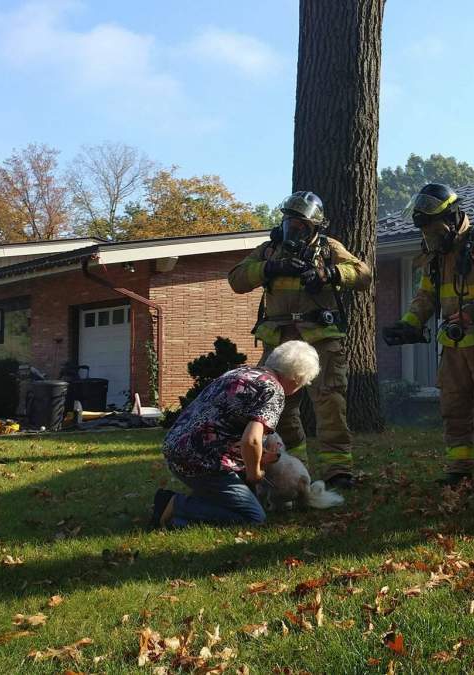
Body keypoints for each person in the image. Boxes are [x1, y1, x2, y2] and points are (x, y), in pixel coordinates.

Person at [228, 191, 372, 490]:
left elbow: (363, 273)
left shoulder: (328, 248)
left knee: (330, 403)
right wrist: (270, 268)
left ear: (315, 227)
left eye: (301, 226)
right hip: (279, 342)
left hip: (320, 341)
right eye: (289, 223)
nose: (293, 230)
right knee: (278, 407)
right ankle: (295, 466)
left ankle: (338, 472)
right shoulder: (269, 251)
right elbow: (236, 279)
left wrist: (330, 273)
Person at [384, 183, 474, 485]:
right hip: (454, 345)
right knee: (454, 408)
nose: (427, 235)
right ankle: (460, 470)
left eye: (431, 226)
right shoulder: (436, 255)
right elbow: (425, 297)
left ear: (449, 218)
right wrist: (408, 323)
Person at [151, 340, 321, 529]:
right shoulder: (273, 390)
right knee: (253, 517)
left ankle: (187, 511)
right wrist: (255, 473)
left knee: (241, 499)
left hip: (176, 448)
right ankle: (176, 506)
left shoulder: (240, 372)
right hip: (204, 462)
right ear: (297, 378)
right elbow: (251, 440)